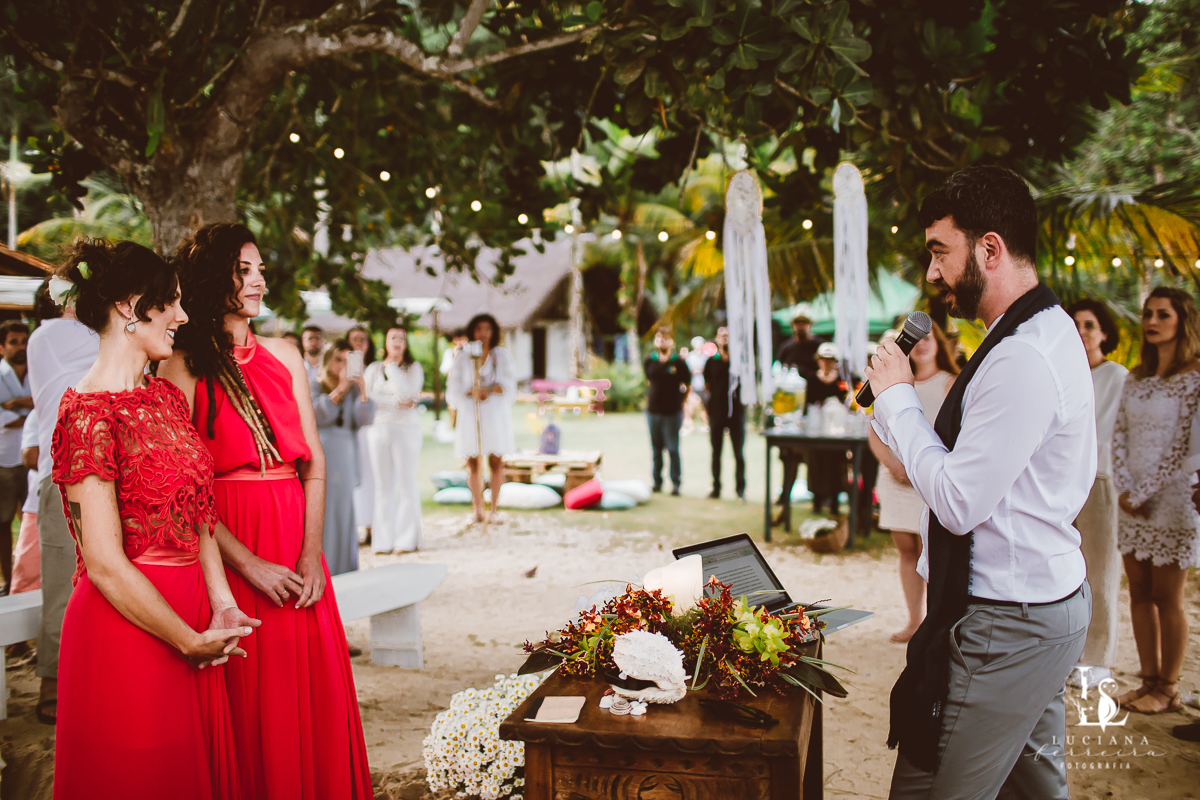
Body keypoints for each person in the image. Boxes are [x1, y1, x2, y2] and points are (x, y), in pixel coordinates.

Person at [866, 165, 1094, 797]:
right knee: (1034, 790)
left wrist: (897, 404)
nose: (933, 273)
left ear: (989, 248)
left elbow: (960, 502)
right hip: (1036, 603)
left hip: (1006, 622)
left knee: (929, 790)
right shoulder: (1028, 330)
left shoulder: (1022, 354)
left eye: (941, 251)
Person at [161, 223, 372, 799]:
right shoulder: (179, 364)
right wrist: (249, 564)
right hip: (229, 540)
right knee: (253, 693)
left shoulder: (282, 354)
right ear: (214, 279)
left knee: (309, 690)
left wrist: (311, 555)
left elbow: (316, 463)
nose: (258, 282)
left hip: (295, 534)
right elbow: (187, 486)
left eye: (259, 270)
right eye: (243, 271)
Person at [50, 238, 257, 799]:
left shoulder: (165, 397)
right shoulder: (86, 416)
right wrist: (185, 639)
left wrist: (222, 603)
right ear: (129, 306)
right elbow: (104, 563)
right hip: (129, 623)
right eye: (171, 303)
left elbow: (198, 514)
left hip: (194, 613)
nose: (183, 317)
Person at [1111, 286, 1200, 715]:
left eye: (1163, 314)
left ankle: (1168, 686)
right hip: (1130, 500)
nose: (1151, 321)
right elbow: (1119, 436)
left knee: (1169, 596)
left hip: (1173, 500)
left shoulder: (1194, 378)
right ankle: (1147, 680)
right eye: (1147, 313)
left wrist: (1145, 492)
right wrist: (1126, 488)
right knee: (1139, 593)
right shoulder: (1134, 377)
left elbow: (1184, 446)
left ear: (1183, 320)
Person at [29, 278, 99, 726]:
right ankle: (53, 686)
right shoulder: (50, 335)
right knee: (62, 584)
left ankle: (87, 680)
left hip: (100, 473)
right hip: (64, 475)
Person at [869, 323, 958, 643]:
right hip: (896, 477)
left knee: (931, 550)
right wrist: (893, 465)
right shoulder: (893, 385)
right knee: (906, 548)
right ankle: (914, 620)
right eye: (914, 339)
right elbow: (875, 432)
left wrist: (922, 467)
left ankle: (938, 619)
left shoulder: (950, 383)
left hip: (930, 478)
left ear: (939, 342)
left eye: (928, 337)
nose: (921, 344)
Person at [1065, 298, 1128, 692]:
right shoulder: (1065, 372)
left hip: (1102, 477)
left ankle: (1098, 659)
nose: (1082, 331)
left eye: (1089, 324)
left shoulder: (1117, 376)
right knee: (1070, 571)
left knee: (1101, 570)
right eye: (1075, 324)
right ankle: (1071, 652)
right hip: (1064, 477)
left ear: (1104, 332)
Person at [446, 314, 516, 525]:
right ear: (472, 331)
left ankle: (494, 509)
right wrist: (471, 393)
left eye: (487, 329)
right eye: (479, 329)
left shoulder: (501, 356)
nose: (483, 334)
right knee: (473, 462)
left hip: (494, 413)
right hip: (471, 413)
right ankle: (477, 509)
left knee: (496, 460)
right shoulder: (463, 357)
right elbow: (454, 388)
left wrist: (488, 390)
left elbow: (509, 384)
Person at [313, 341, 375, 574]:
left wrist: (363, 390)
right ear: (329, 361)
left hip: (346, 456)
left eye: (347, 361)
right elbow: (315, 414)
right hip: (322, 454)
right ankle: (321, 566)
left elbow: (364, 419)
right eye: (338, 360)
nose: (343, 366)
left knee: (345, 512)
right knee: (323, 512)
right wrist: (340, 388)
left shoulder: (354, 391)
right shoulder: (316, 384)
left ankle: (344, 568)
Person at [364, 326, 425, 552]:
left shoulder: (413, 368)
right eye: (393, 337)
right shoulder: (372, 369)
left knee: (408, 483)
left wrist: (392, 368)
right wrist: (395, 403)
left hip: (406, 430)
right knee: (383, 485)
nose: (398, 341)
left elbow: (408, 394)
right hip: (379, 428)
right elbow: (368, 396)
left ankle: (406, 539)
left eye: (402, 338)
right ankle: (383, 540)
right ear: (385, 342)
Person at [0, 320, 32, 592]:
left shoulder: (38, 368)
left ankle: (28, 583)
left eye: (24, 341)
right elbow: (2, 418)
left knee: (32, 522)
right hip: (5, 459)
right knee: (3, 523)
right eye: (14, 342)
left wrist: (15, 404)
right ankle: (9, 582)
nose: (21, 347)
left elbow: (48, 402)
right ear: (1, 347)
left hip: (35, 458)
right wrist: (31, 410)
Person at [643, 328, 689, 495]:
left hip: (672, 412)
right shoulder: (650, 360)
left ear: (671, 341)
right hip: (653, 412)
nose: (661, 341)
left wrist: (681, 402)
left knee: (672, 448)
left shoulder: (678, 362)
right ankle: (656, 481)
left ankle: (676, 482)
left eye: (665, 338)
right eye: (658, 338)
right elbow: (649, 381)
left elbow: (687, 385)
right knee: (656, 449)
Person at [703, 327, 744, 501]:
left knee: (738, 453)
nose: (725, 339)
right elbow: (707, 386)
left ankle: (741, 489)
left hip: (736, 413)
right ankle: (716, 487)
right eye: (722, 336)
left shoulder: (739, 362)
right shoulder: (711, 362)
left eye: (728, 336)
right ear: (717, 339)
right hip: (716, 413)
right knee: (716, 452)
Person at [346, 326, 376, 545]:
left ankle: (373, 526)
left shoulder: (374, 369)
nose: (358, 343)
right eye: (354, 339)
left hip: (372, 429)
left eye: (362, 339)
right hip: (351, 430)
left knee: (371, 478)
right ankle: (354, 526)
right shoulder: (341, 370)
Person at [10, 406, 40, 594]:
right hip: (38, 506)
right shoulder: (38, 414)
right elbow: (30, 457)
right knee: (25, 581)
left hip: (87, 506)